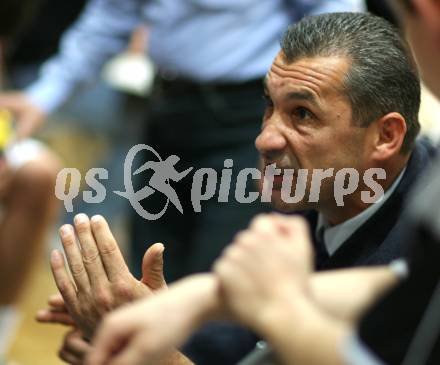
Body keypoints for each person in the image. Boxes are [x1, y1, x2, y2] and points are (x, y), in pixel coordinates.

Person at [42, 10, 436, 365]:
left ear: (386, 136)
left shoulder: (420, 239)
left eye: (302, 114)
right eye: (269, 105)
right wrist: (148, 324)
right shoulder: (294, 198)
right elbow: (238, 343)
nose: (265, 139)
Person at [0, 0, 363, 282]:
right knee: (153, 270)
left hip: (249, 117)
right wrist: (43, 96)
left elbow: (333, 22)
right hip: (165, 108)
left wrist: (303, 113)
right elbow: (108, 20)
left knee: (217, 278)